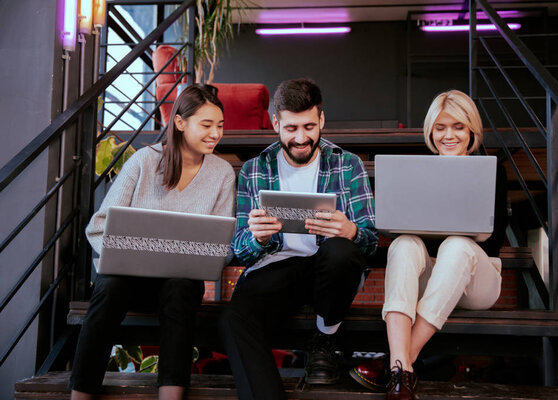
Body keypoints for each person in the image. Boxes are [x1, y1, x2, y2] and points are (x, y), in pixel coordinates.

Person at [69, 84, 236, 400]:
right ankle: (80, 395)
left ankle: (170, 396)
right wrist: (123, 256)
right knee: (108, 286)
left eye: (220, 125)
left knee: (181, 287)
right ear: (180, 122)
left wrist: (205, 257)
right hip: (131, 281)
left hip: (179, 283)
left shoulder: (223, 173)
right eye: (207, 125)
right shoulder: (144, 161)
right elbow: (99, 228)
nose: (216, 133)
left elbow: (222, 245)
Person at [219, 78, 379, 400]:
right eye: (291, 128)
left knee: (340, 251)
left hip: (328, 271)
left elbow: (370, 242)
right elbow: (240, 250)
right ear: (275, 122)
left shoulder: (348, 164)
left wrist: (351, 231)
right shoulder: (254, 169)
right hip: (276, 269)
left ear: (321, 119)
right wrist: (258, 239)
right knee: (232, 319)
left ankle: (324, 337)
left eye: (309, 125)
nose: (301, 138)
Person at [350, 89, 508, 400]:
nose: (449, 135)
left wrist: (461, 229)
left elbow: (495, 241)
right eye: (441, 127)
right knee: (405, 243)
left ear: (471, 130)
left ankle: (398, 362)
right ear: (431, 131)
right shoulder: (417, 173)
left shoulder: (491, 171)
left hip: (478, 280)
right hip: (431, 280)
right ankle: (401, 370)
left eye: (458, 127)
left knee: (456, 245)